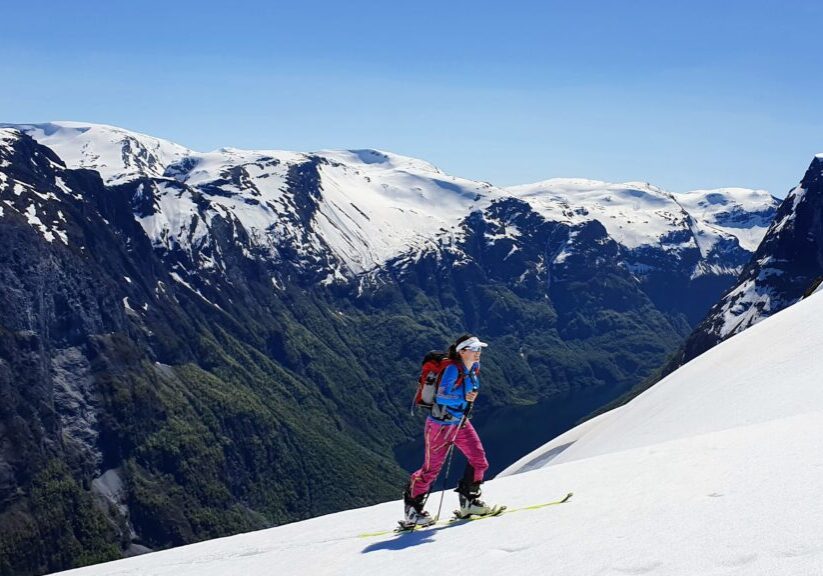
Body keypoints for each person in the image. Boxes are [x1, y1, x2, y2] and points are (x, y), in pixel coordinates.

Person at [403, 334, 491, 526]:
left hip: (460, 423)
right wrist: (464, 399)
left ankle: (469, 502)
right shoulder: (452, 368)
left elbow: (467, 392)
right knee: (430, 471)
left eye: (479, 349)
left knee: (479, 461)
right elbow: (442, 397)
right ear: (462, 351)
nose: (478, 353)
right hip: (440, 426)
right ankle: (412, 510)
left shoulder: (473, 368)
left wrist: (470, 397)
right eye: (475, 349)